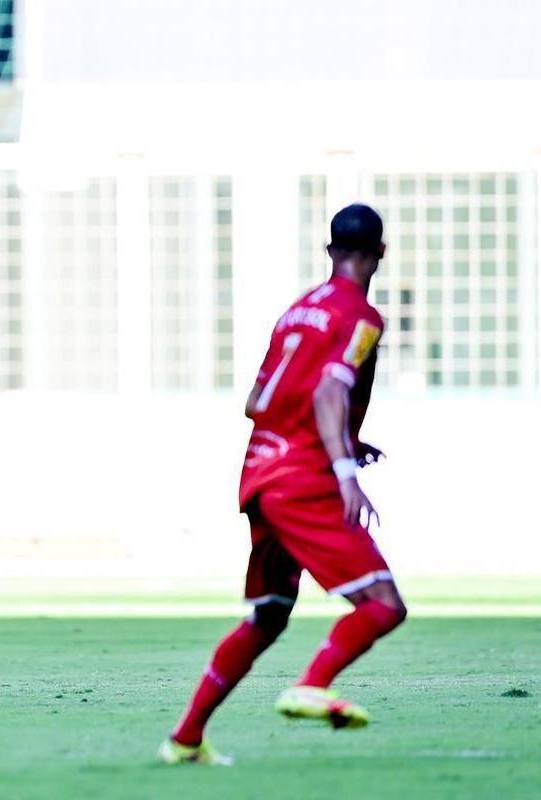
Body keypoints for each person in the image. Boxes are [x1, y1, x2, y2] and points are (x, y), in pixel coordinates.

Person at [160, 203, 406, 765]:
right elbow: (327, 394)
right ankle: (312, 685)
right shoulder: (363, 319)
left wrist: (341, 437)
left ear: (328, 251)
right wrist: (343, 466)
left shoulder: (296, 313)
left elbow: (257, 402)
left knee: (269, 615)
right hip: (302, 479)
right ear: (381, 253)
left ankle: (185, 739)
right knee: (383, 605)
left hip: (259, 474)